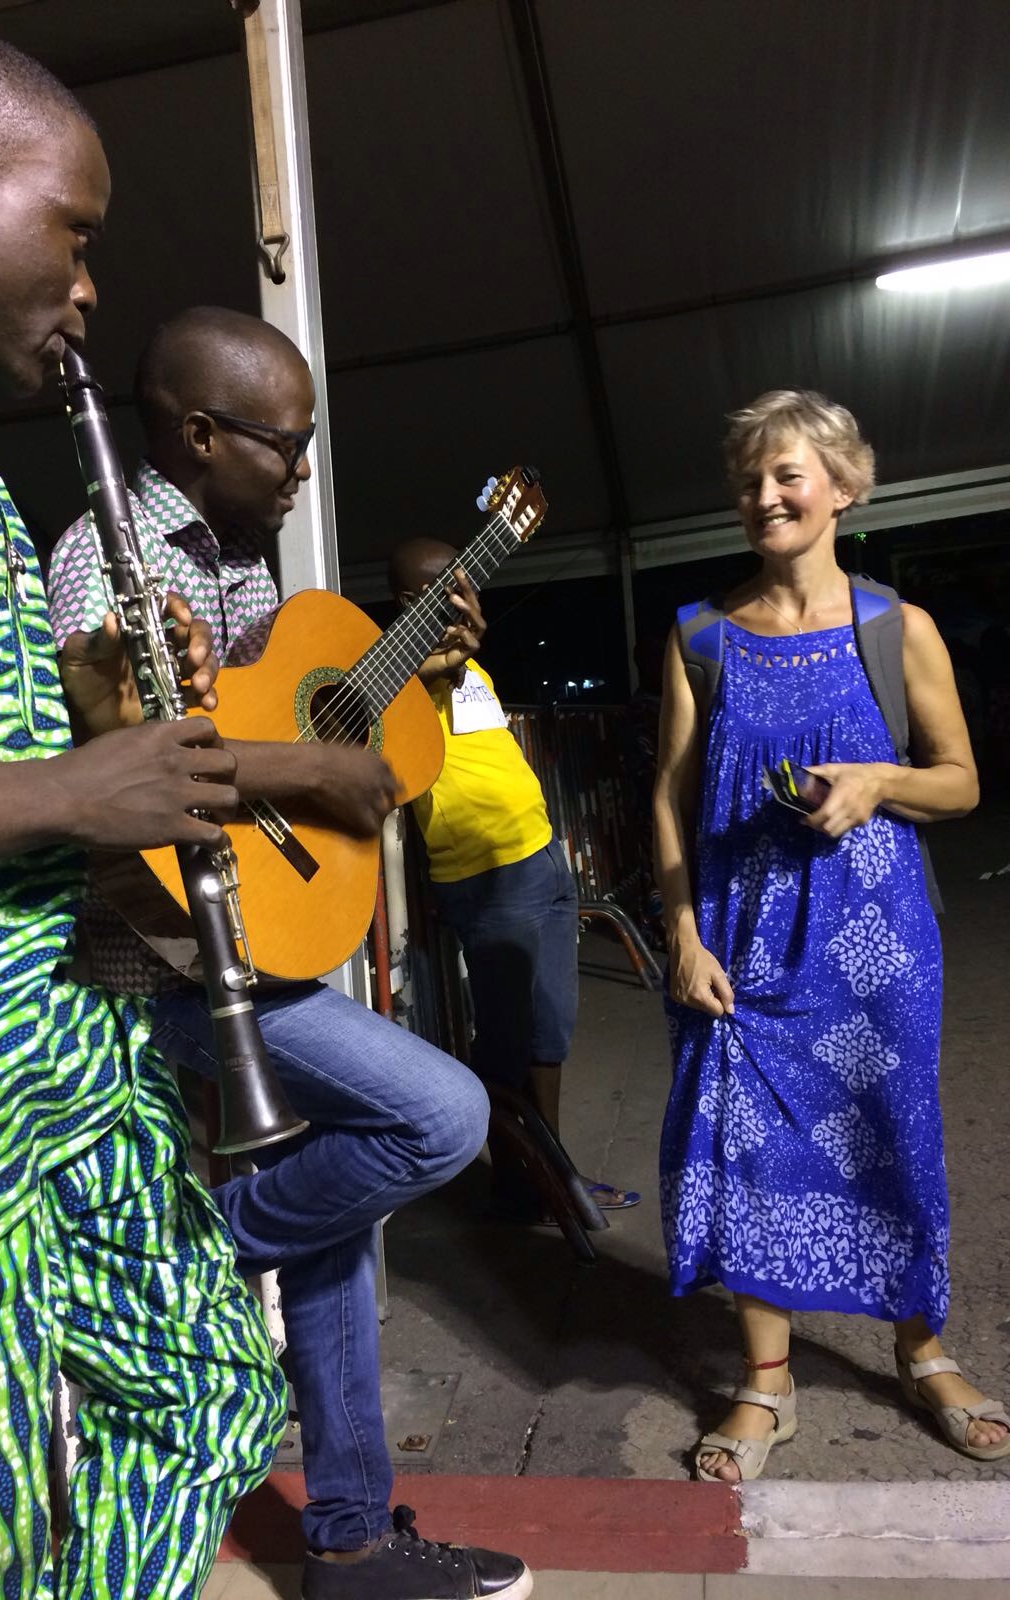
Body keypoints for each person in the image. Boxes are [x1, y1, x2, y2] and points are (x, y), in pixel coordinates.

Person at [0, 20, 286, 1600]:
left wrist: (91, 704)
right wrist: (74, 791)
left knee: (214, 1394)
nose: (88, 286)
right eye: (73, 232)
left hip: (57, 1059)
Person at [48, 306, 534, 1600]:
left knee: (337, 1211)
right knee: (441, 1116)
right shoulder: (103, 554)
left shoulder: (254, 568)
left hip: (259, 929)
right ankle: (175, 1273)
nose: (305, 468)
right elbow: (128, 752)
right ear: (203, 434)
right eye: (288, 441)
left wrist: (414, 681)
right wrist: (315, 768)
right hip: (160, 952)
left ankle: (352, 1542)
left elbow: (283, 718)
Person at [652, 389, 1006, 1482]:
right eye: (750, 480)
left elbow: (961, 781)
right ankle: (768, 1381)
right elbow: (667, 796)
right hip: (741, 945)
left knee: (893, 1137)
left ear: (843, 489)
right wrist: (681, 932)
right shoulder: (701, 636)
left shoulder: (897, 629)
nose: (764, 496)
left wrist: (880, 783)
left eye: (788, 475)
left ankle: (923, 1350)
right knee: (747, 1153)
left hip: (877, 946)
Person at [388, 539, 640, 1223]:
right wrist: (437, 659)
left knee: (549, 1030)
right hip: (487, 876)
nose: (467, 599)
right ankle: (515, 1188)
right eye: (451, 589)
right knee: (503, 1044)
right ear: (413, 603)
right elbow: (386, 701)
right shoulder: (397, 684)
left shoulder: (473, 670)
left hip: (541, 858)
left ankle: (554, 1174)